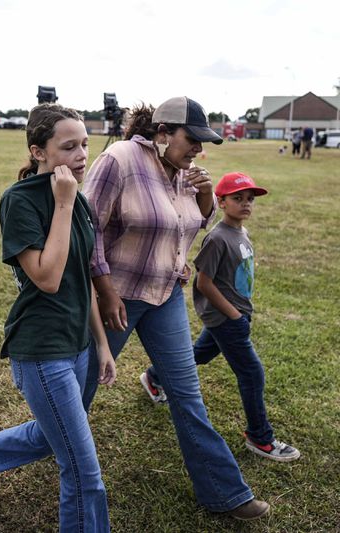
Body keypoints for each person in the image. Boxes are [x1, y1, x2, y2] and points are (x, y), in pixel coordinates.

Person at [81, 96, 270, 521]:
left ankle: (225, 494)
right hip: (118, 298)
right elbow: (87, 226)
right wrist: (105, 291)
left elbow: (188, 225)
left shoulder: (184, 172)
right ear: (162, 134)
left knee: (187, 396)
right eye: (193, 140)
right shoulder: (121, 159)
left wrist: (204, 197)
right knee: (76, 397)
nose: (199, 150)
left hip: (165, 294)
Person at [0, 104, 116, 532]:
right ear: (38, 151)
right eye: (68, 146)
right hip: (43, 351)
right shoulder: (20, 202)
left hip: (79, 343)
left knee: (53, 436)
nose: (82, 155)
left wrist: (100, 344)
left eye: (84, 144)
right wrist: (62, 206)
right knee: (84, 475)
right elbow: (47, 276)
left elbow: (82, 277)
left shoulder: (77, 199)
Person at [140, 172, 301, 463]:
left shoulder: (241, 233)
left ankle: (154, 376)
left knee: (196, 356)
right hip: (227, 320)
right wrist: (234, 315)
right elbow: (204, 283)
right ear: (221, 202)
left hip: (233, 317)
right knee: (252, 374)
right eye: (237, 199)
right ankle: (260, 437)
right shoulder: (217, 238)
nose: (246, 204)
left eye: (250, 199)